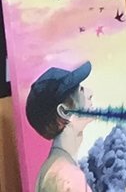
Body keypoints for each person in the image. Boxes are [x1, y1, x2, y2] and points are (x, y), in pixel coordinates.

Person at [25, 62, 94, 192]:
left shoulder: (52, 168)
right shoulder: (69, 176)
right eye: (81, 89)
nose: (90, 93)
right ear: (64, 112)